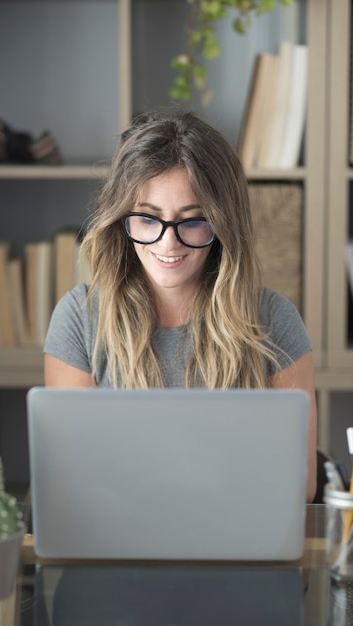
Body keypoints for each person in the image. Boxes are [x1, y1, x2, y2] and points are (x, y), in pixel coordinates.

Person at [44, 110, 317, 502]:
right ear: (122, 218)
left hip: (238, 547)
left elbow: (300, 487)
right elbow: (68, 482)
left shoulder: (274, 320)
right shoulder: (79, 319)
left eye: (192, 221)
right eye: (148, 219)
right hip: (118, 542)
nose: (167, 244)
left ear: (223, 226)